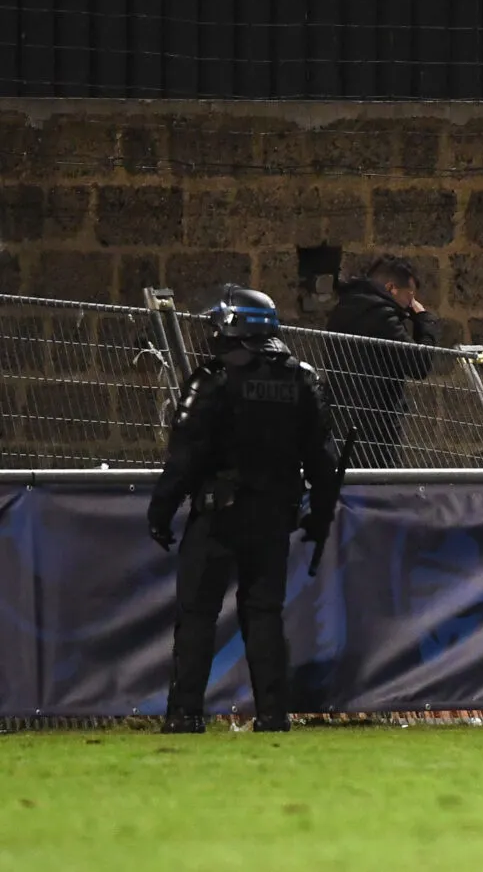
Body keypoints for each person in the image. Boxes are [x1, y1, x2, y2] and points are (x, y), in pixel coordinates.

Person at [147, 286, 340, 734]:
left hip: (218, 515)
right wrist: (320, 511)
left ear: (233, 326)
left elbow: (184, 457)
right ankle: (274, 715)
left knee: (196, 615)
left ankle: (185, 715)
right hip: (274, 516)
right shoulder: (301, 378)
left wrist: (161, 511)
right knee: (264, 614)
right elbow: (322, 460)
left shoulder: (212, 379)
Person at [324, 255, 442, 468]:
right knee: (380, 488)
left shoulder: (342, 309)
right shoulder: (382, 317)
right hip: (377, 427)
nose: (412, 303)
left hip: (340, 420)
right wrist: (424, 321)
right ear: (391, 288)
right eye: (410, 295)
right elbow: (418, 365)